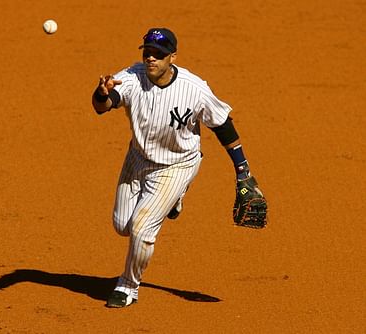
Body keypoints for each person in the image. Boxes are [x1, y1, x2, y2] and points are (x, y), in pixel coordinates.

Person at [92, 28, 267, 308]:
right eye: (147, 52)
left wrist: (243, 170)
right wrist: (101, 94)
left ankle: (128, 285)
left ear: (172, 57)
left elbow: (222, 125)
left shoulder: (194, 89)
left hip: (177, 164)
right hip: (137, 160)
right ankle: (175, 199)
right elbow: (103, 106)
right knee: (122, 225)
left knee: (141, 228)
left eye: (159, 55)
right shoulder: (130, 77)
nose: (151, 58)